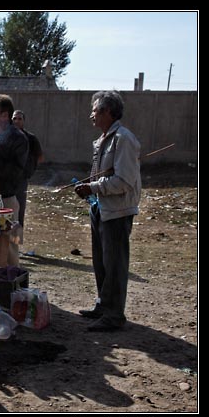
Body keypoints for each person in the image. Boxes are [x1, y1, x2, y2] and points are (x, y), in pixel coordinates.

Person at [75, 90, 141, 332]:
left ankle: (114, 315)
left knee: (115, 264)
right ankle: (103, 306)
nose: (91, 115)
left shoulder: (124, 139)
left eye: (95, 110)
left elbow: (124, 181)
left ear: (107, 112)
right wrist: (90, 190)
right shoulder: (104, 140)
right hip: (100, 208)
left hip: (118, 212)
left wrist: (91, 187)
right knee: (101, 261)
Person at [0, 95, 29, 266]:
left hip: (7, 199)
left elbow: (15, 171)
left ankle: (11, 281)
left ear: (4, 115)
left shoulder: (18, 138)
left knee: (10, 243)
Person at [12, 109, 44, 230]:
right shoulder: (6, 136)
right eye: (14, 118)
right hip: (7, 179)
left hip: (21, 179)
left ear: (24, 121)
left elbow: (40, 157)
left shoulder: (30, 138)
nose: (16, 121)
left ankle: (17, 241)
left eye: (19, 118)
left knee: (19, 209)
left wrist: (29, 167)